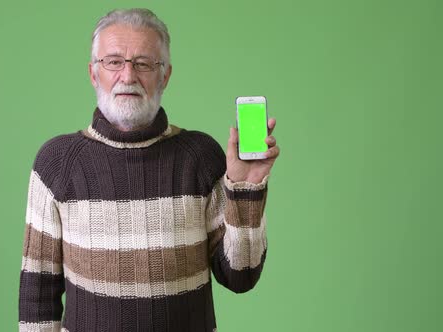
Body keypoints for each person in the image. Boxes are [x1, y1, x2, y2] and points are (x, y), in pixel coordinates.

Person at [18, 8, 280, 332]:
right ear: (92, 73)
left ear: (165, 75)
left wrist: (246, 187)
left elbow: (242, 276)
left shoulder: (200, 156)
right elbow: (37, 296)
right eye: (113, 61)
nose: (128, 76)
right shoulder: (56, 163)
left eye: (143, 63)